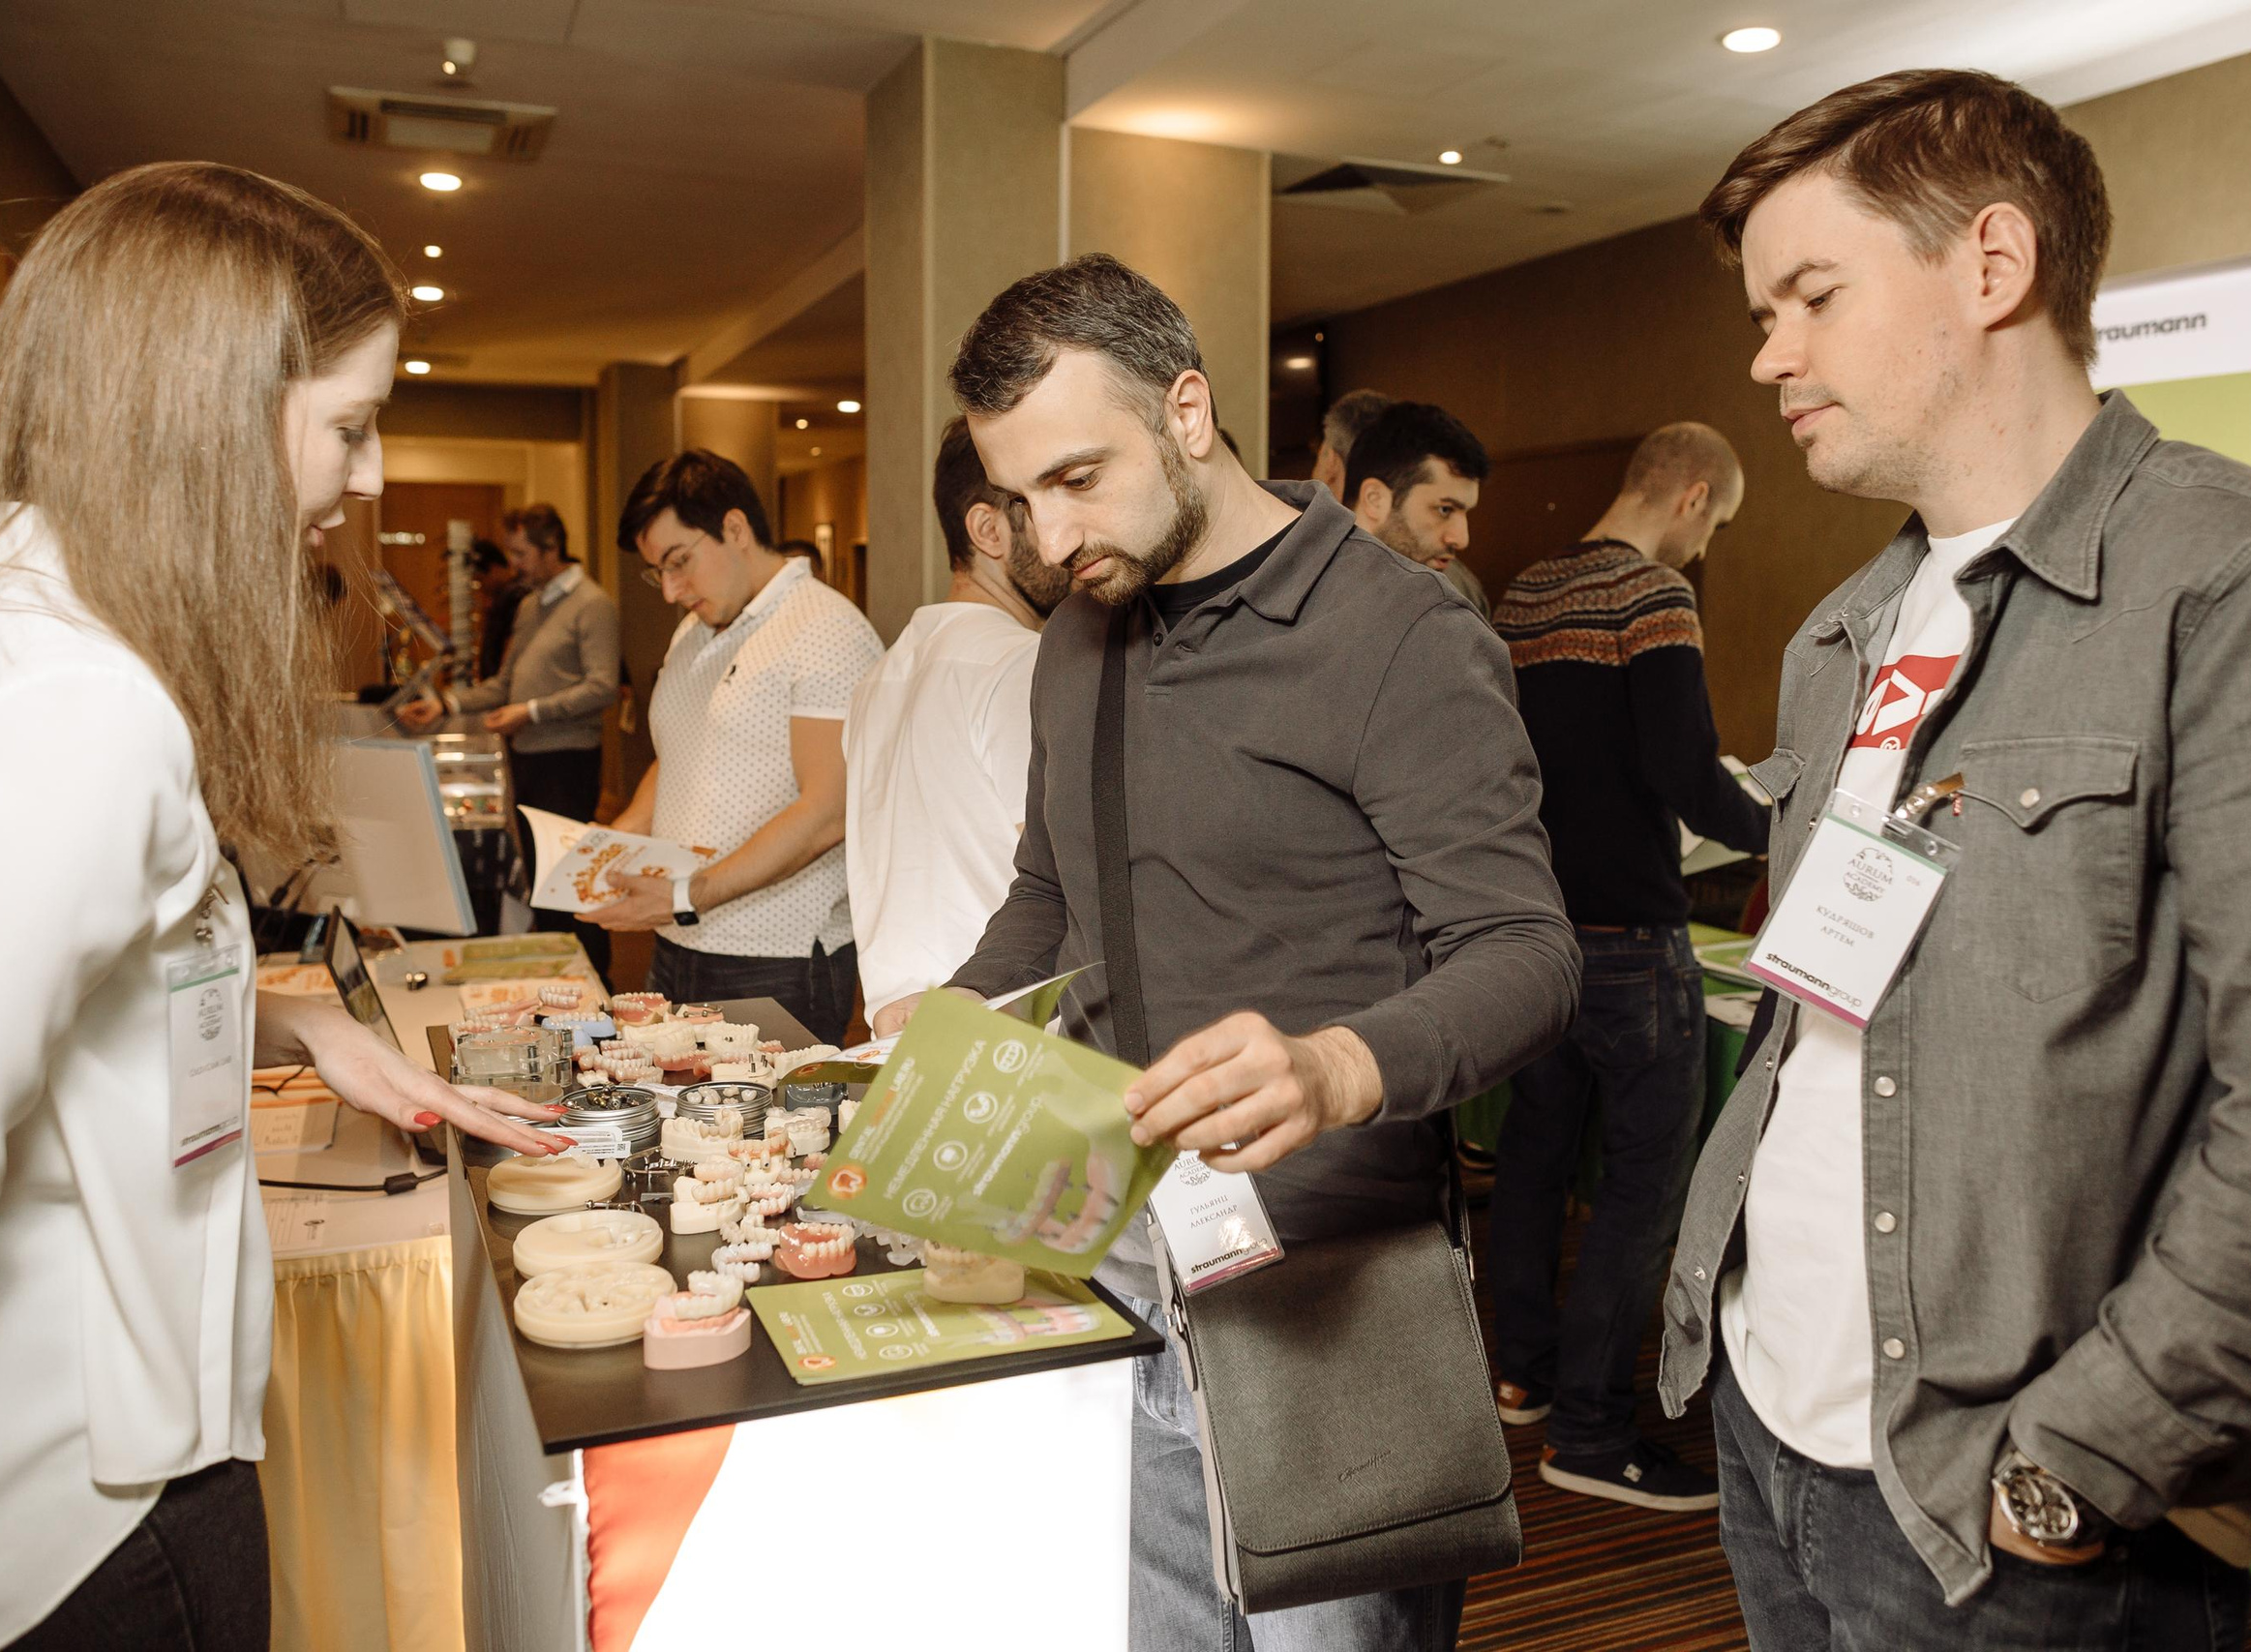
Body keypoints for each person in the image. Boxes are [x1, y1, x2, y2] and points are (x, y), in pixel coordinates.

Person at [1659, 69, 2251, 1648]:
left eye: (1813, 295)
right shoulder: (1845, 630)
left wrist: (2081, 1462)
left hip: (2014, 1502)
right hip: (1776, 1426)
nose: (1768, 352)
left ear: (1991, 266)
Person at [0, 161, 563, 1652]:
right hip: (80, 1518)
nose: (372, 474)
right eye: (348, 425)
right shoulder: (75, 704)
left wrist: (291, 1011)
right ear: (204, 408)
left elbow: (33, 969)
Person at [885, 254, 1578, 1652]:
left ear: (1188, 410)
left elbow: (1526, 951)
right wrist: (951, 1016)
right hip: (1125, 1242)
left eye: (1078, 476)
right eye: (1018, 498)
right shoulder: (1081, 629)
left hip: (1333, 1276)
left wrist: (1334, 1065)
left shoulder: (1399, 635)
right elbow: (1048, 887)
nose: (1045, 531)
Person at [1486, 421, 1768, 1512]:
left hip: (1537, 932)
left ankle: (1525, 1375)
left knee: (1536, 1157)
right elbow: (1683, 774)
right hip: (1633, 947)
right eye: (1718, 527)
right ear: (1692, 495)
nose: (1705, 551)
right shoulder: (1654, 598)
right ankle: (1595, 1436)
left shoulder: (1522, 595)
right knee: (1642, 1192)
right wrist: (1785, 832)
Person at [585, 451, 883, 1044]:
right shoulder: (694, 631)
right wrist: (605, 850)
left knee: (765, 1135)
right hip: (678, 938)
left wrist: (687, 895)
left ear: (736, 528)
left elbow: (828, 810)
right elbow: (680, 757)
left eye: (680, 561)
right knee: (676, 1125)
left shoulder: (823, 629)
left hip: (776, 955)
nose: (671, 589)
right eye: (658, 571)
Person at [844, 418, 1070, 1033]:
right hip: (998, 1023)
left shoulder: (881, 675)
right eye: (1038, 504)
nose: (1066, 536)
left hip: (897, 1018)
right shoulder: (1020, 663)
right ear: (988, 530)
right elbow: (1065, 872)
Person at [404, 503, 620, 975]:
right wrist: (446, 704)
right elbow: (506, 683)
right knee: (543, 882)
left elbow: (603, 686)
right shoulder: (529, 605)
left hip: (568, 762)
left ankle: (595, 984)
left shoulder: (592, 603)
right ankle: (560, 981)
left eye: (522, 553)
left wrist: (532, 711)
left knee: (571, 882)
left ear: (552, 548)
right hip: (527, 758)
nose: (515, 564)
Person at [1344, 401, 1494, 617]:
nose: (1461, 539)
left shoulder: (1462, 591)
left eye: (1466, 513)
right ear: (1374, 499)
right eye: (1445, 509)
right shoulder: (1300, 587)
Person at [469, 538, 522, 678]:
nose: (482, 586)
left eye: (481, 579)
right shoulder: (501, 597)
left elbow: (510, 646)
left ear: (495, 569)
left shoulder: (514, 596)